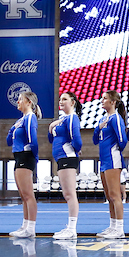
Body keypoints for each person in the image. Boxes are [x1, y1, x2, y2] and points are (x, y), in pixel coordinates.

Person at [93, 90, 128, 238]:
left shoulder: (115, 118)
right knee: (109, 196)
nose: (102, 101)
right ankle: (113, 226)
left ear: (113, 102)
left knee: (115, 195)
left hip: (112, 159)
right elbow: (95, 140)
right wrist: (99, 127)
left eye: (105, 98)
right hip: (104, 160)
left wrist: (114, 150)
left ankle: (119, 229)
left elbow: (123, 140)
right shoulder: (103, 119)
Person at [49, 92, 84, 240]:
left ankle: (72, 229)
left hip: (68, 158)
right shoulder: (62, 120)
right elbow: (51, 139)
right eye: (60, 99)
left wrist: (75, 150)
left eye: (65, 99)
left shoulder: (72, 118)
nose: (61, 101)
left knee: (70, 194)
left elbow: (77, 140)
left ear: (73, 102)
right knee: (67, 194)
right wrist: (51, 125)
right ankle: (69, 228)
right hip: (62, 158)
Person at [6, 90, 40, 238]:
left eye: (20, 99)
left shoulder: (30, 117)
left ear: (29, 102)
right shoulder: (20, 120)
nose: (18, 102)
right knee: (23, 194)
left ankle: (30, 227)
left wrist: (34, 156)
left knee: (28, 194)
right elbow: (9, 141)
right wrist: (11, 130)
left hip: (26, 156)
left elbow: (33, 140)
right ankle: (25, 225)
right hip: (19, 156)